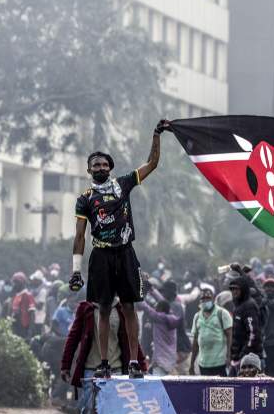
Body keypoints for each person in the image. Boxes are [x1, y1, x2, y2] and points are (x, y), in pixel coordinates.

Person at [70, 119, 171, 379]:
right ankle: (104, 362)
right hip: (101, 255)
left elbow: (152, 164)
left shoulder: (123, 184)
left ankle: (134, 362)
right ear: (89, 170)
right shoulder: (84, 199)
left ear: (111, 168)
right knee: (102, 309)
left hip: (125, 252)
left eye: (105, 164)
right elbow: (80, 235)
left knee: (129, 307)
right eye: (96, 165)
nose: (101, 168)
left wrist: (156, 135)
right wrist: (75, 271)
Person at [60, 300, 147, 414]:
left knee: (114, 412)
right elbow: (73, 336)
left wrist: (141, 364)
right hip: (91, 368)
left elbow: (131, 339)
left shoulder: (121, 308)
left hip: (116, 368)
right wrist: (65, 365)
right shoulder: (86, 308)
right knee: (89, 409)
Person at [190, 287, 232, 376]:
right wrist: (192, 363)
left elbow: (229, 335)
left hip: (220, 362)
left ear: (213, 299)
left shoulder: (222, 313)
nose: (205, 301)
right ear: (200, 301)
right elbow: (195, 341)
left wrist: (229, 356)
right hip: (203, 363)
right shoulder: (197, 316)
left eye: (208, 298)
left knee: (221, 388)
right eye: (203, 299)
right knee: (206, 389)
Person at [228, 275, 261, 375]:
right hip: (237, 358)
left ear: (243, 289)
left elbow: (253, 333)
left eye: (236, 289)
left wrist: (243, 354)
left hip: (248, 361)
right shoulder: (238, 306)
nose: (234, 291)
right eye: (232, 289)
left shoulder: (249, 306)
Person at [140, 299, 181, 376]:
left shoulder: (159, 318)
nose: (155, 309)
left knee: (159, 385)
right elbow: (163, 301)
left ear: (161, 309)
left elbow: (146, 307)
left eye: (157, 307)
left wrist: (137, 295)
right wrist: (153, 290)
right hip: (171, 360)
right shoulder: (172, 318)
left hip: (161, 361)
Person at [9, 272, 37, 339]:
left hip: (24, 329)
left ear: (22, 283)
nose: (14, 285)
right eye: (14, 282)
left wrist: (29, 333)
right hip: (15, 328)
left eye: (17, 282)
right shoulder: (15, 296)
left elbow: (32, 315)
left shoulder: (27, 295)